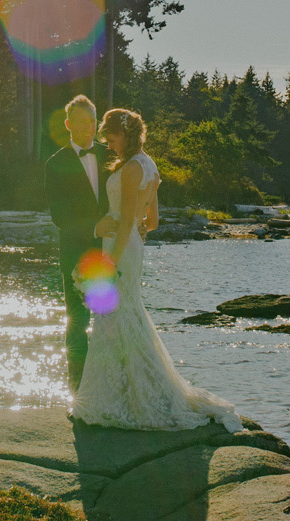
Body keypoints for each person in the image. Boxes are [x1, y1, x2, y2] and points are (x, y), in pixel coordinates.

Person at [71, 107, 243, 432]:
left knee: (115, 318)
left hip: (119, 249)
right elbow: (153, 221)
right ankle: (132, 392)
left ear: (124, 134)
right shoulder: (149, 165)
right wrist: (134, 230)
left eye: (110, 136)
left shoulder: (133, 168)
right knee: (125, 316)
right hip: (130, 247)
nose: (107, 143)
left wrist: (109, 260)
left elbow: (125, 223)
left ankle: (121, 399)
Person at [43, 94, 111, 393]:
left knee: (112, 319)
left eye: (92, 122)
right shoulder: (55, 164)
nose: (88, 128)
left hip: (112, 252)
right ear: (68, 124)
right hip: (75, 252)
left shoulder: (112, 156)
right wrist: (96, 227)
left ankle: (110, 386)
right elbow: (60, 216)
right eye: (81, 122)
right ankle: (78, 391)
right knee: (78, 320)